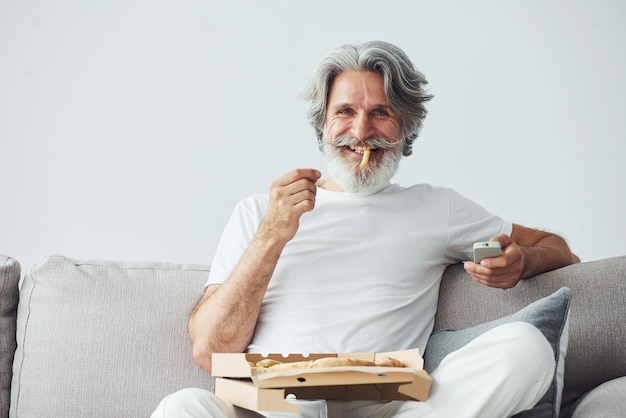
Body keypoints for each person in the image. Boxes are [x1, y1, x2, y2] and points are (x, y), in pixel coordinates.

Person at [152, 41, 580, 418]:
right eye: (345, 112)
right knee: (181, 408)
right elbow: (210, 352)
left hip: (387, 399)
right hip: (276, 402)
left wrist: (523, 260)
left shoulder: (435, 207)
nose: (360, 131)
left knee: (527, 348)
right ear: (322, 123)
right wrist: (273, 234)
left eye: (380, 113)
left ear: (406, 127)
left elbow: (558, 250)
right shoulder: (259, 212)